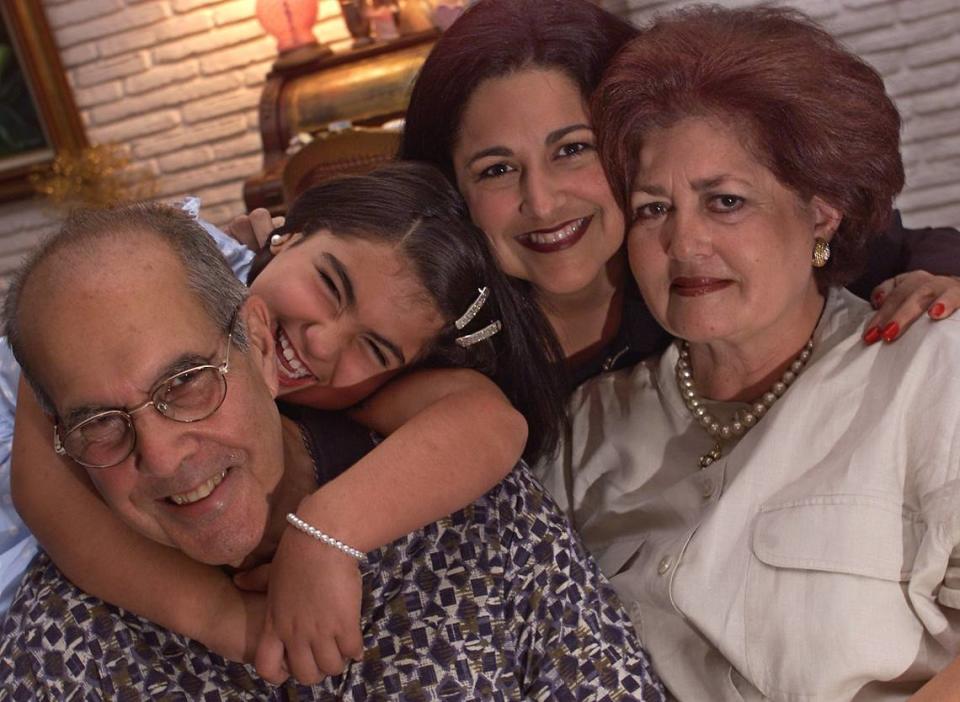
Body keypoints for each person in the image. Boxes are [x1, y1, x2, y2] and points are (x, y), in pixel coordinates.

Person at [0, 202, 665, 700]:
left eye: (186, 383)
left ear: (253, 342)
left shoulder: (461, 506)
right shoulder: (62, 636)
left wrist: (323, 534)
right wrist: (222, 618)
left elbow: (488, 420)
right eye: (103, 423)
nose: (165, 455)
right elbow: (43, 467)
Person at [541, 6, 960, 699]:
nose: (683, 242)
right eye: (653, 209)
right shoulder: (586, 428)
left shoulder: (928, 368)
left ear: (820, 212)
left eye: (726, 202)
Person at [395, 0, 960, 389]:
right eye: (496, 169)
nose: (541, 202)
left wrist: (939, 281)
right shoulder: (448, 338)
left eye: (572, 149)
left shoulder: (715, 256)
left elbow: (913, 246)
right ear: (452, 190)